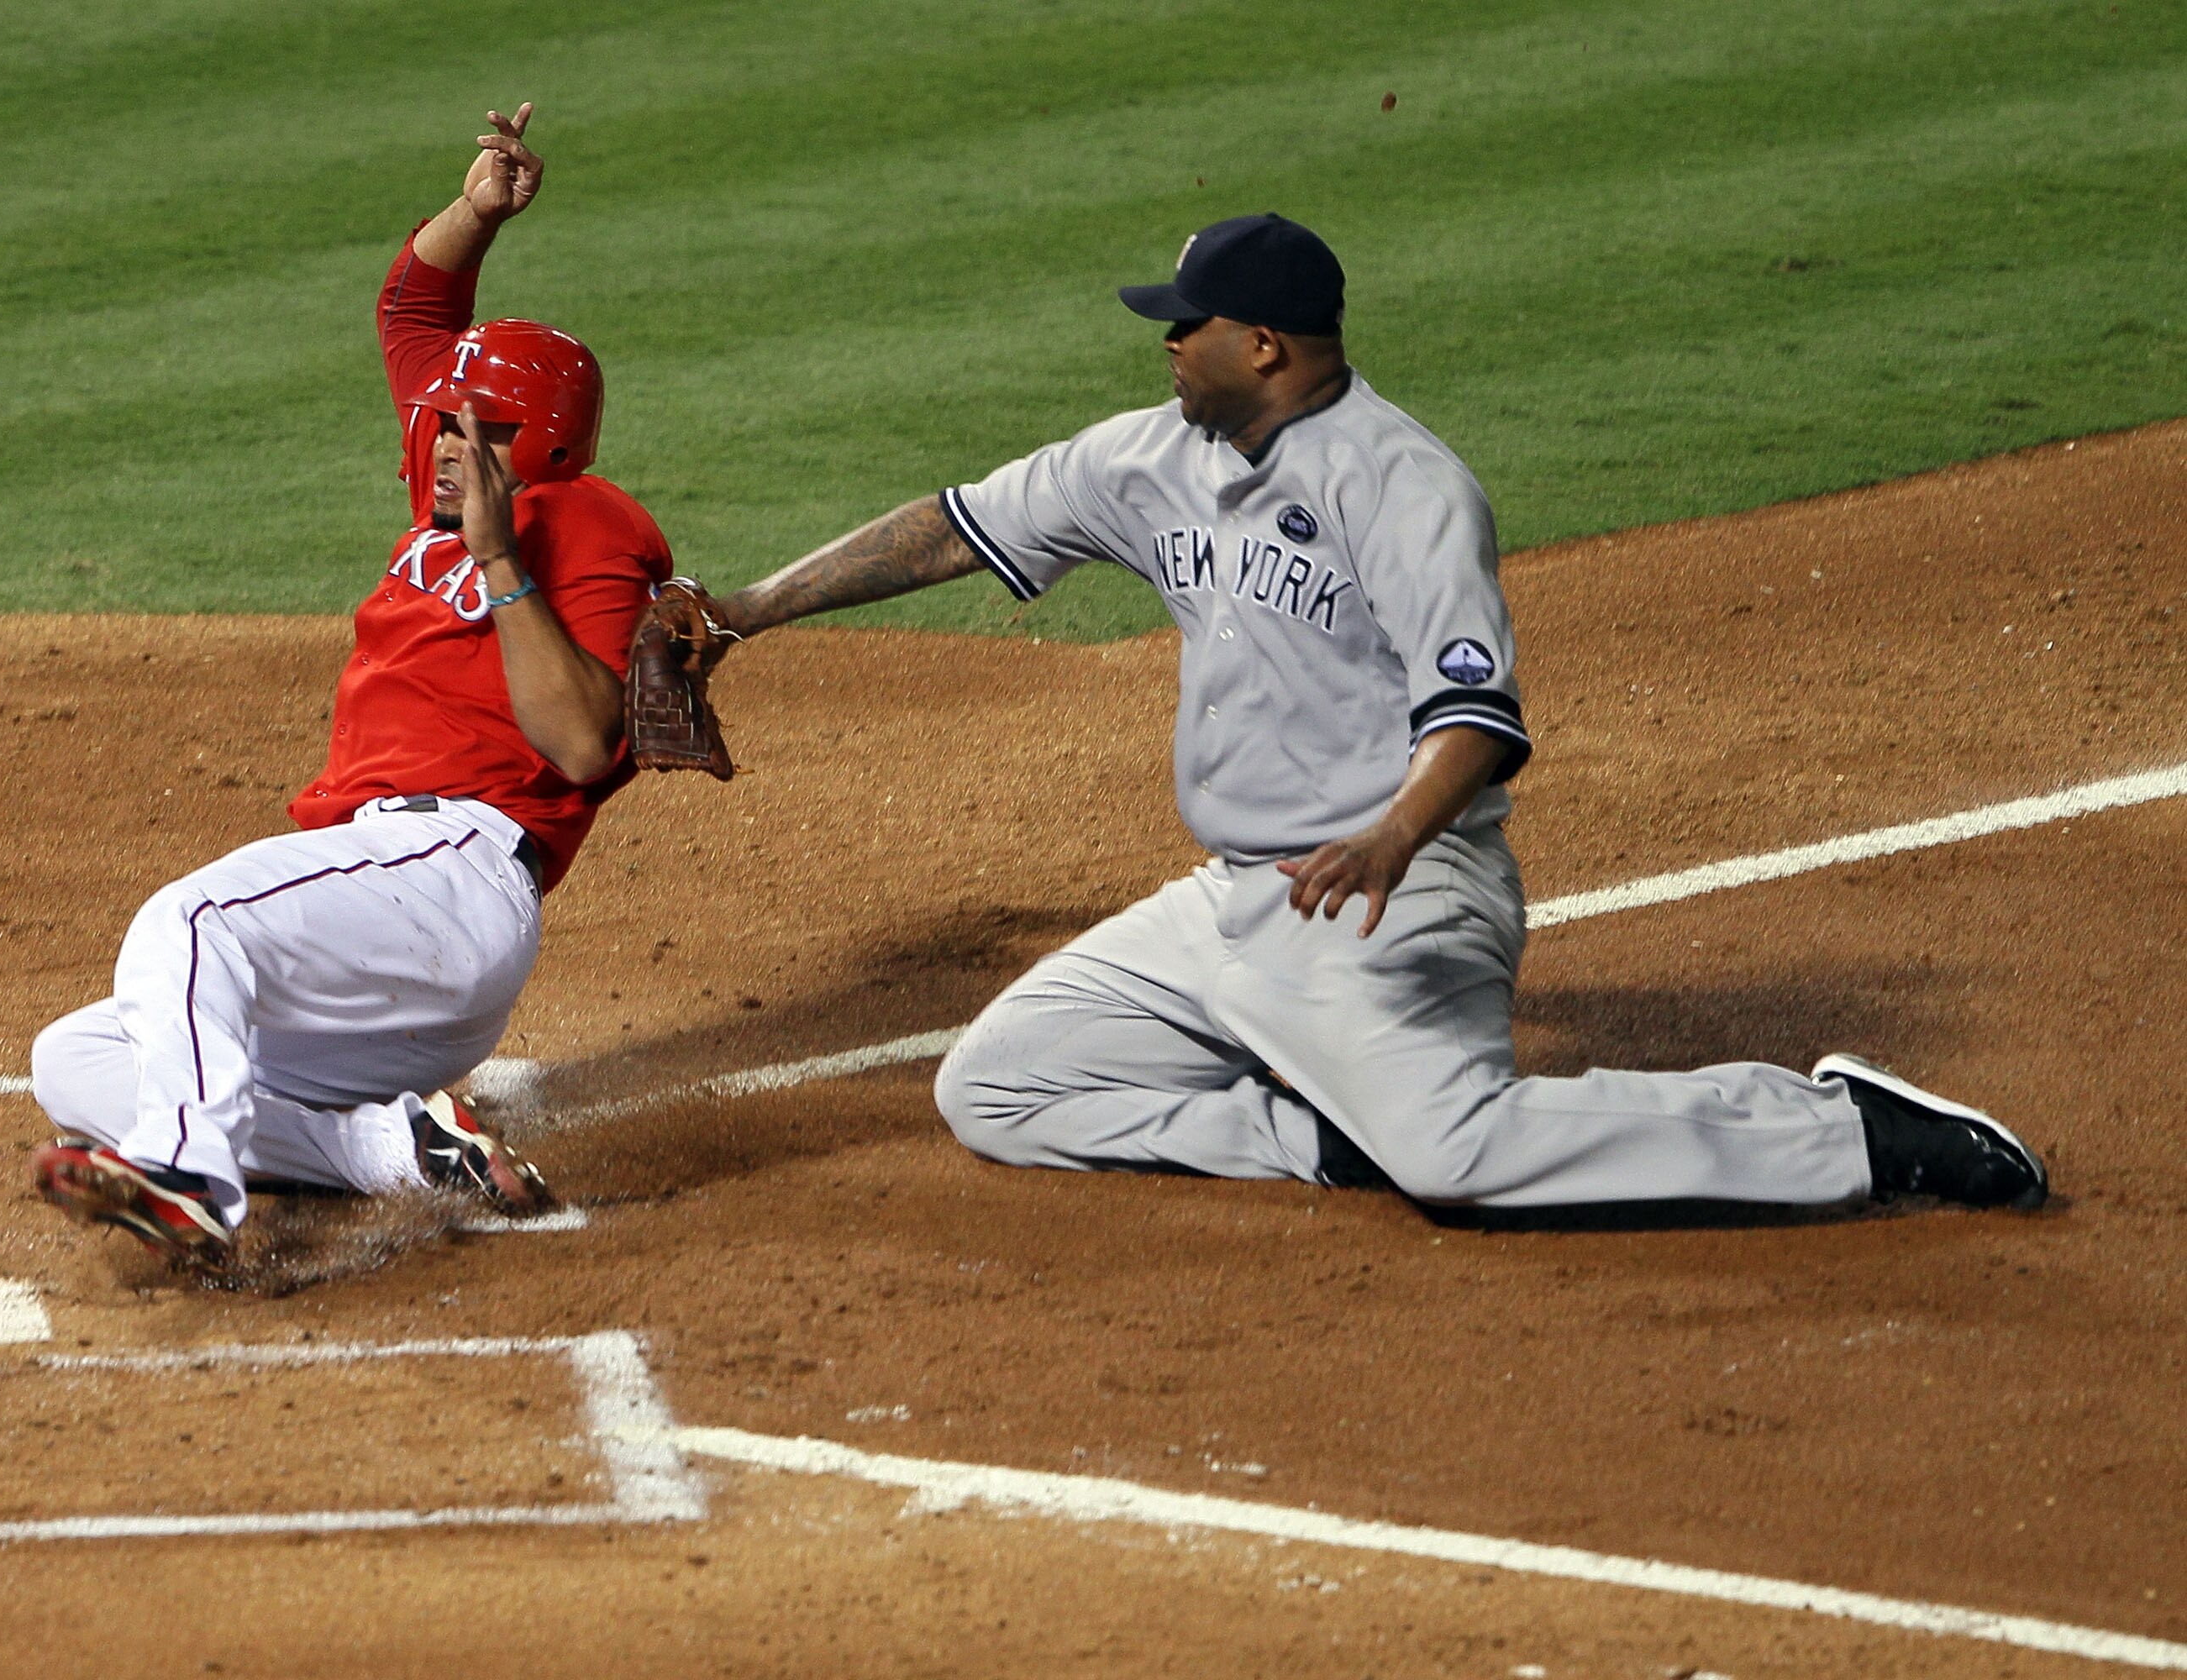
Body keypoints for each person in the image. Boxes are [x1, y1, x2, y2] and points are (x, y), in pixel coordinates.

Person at [681, 213, 2048, 1215]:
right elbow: (952, 529)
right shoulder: (1149, 456)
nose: (1165, 341)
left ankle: (1841, 1133)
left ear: (1262, 345)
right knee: (999, 1089)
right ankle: (1328, 1138)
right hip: (1233, 904)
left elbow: (1481, 714)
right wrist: (746, 607)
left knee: (1459, 1158)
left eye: (1186, 322)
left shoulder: (1404, 485)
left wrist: (1395, 838)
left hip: (1397, 893)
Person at [29, 104, 672, 1264]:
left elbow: (581, 747)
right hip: (380, 903)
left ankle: (189, 1181)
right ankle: (397, 1151)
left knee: (190, 920)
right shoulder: (447, 470)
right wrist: (477, 212)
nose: (444, 442)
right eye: (438, 421)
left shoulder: (587, 522)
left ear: (551, 448)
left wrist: (501, 560)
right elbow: (415, 309)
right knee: (75, 1059)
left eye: (482, 429)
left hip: (455, 877)